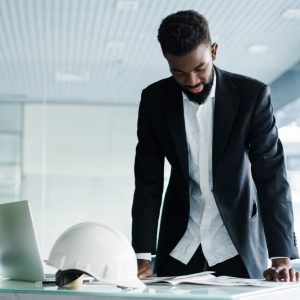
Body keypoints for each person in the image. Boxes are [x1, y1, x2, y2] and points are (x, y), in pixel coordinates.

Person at [131, 10, 299, 281]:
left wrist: (281, 257)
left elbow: (271, 177)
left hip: (237, 245)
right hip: (179, 246)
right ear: (167, 61)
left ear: (214, 51)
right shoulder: (154, 100)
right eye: (179, 72)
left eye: (200, 68)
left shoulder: (251, 96)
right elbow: (147, 181)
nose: (192, 81)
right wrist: (141, 255)